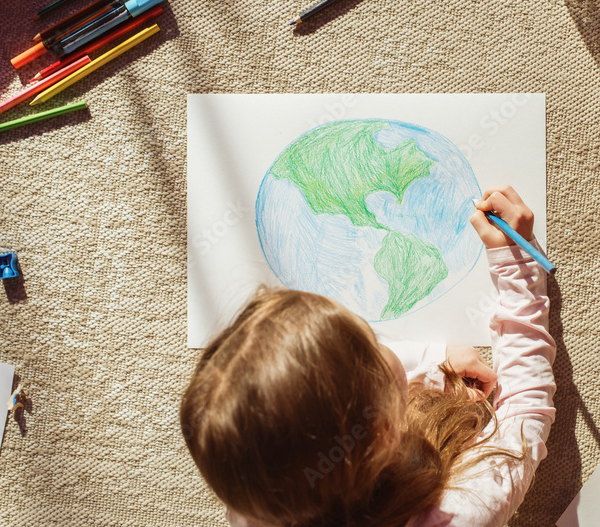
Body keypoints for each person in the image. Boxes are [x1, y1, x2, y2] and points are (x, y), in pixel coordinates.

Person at [181, 186, 556, 526]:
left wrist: (434, 363)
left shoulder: (255, 496)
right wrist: (517, 266)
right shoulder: (461, 514)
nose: (385, 346)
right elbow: (523, 415)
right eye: (375, 347)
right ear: (385, 430)